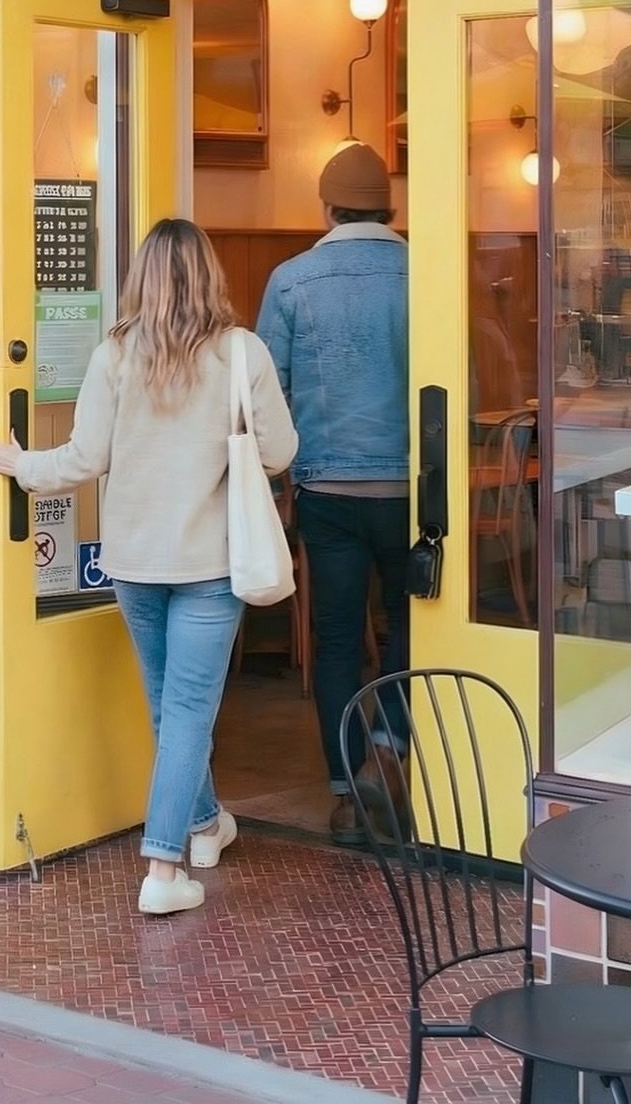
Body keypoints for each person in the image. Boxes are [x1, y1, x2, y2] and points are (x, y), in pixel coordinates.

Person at [0, 218, 296, 916]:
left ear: (143, 279)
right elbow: (279, 453)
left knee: (170, 709)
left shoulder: (112, 358)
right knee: (184, 711)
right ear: (210, 274)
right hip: (211, 567)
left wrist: (21, 465)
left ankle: (206, 824)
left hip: (132, 563)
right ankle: (162, 867)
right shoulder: (243, 354)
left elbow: (84, 460)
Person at [256, 142, 410, 848]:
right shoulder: (421, 269)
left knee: (340, 638)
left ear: (326, 207)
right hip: (411, 486)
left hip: (325, 486)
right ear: (391, 206)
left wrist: (282, 481)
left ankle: (347, 792)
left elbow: (267, 396)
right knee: (412, 627)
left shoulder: (291, 280)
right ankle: (392, 743)